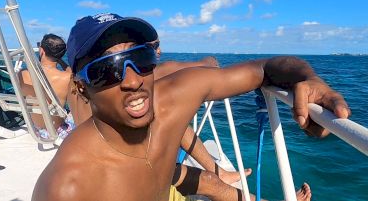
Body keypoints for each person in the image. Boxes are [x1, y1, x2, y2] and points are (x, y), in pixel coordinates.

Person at [32, 13, 350, 201]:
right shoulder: (70, 188)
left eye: (140, 59)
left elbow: (263, 69)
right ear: (80, 88)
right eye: (106, 70)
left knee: (211, 182)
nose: (132, 81)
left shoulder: (176, 98)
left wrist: (306, 78)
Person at [19, 33, 75, 139]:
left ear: (41, 51)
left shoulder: (23, 74)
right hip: (58, 131)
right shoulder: (67, 78)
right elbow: (71, 71)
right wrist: (61, 61)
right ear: (61, 55)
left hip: (36, 130)